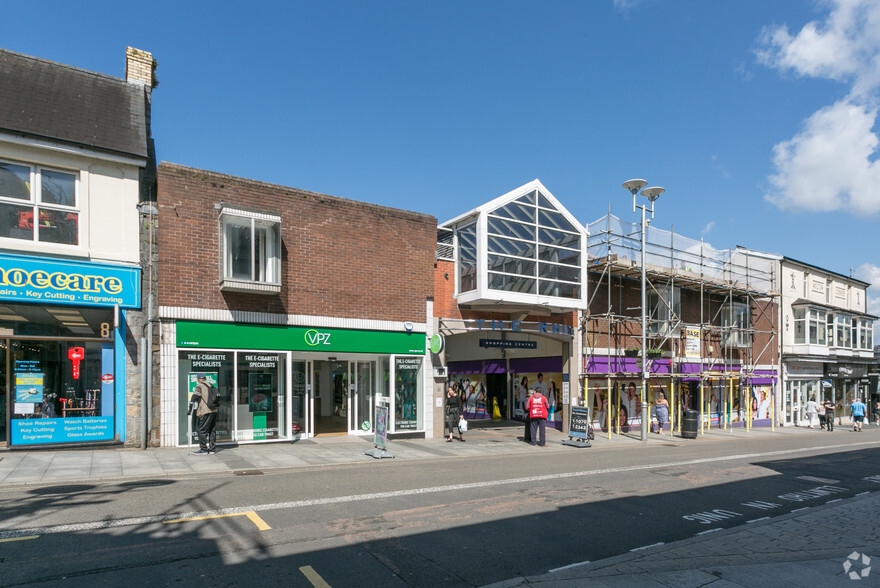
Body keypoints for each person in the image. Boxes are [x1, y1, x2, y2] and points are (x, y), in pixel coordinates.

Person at [191, 374, 218, 455]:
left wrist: (190, 406)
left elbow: (195, 396)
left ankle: (203, 449)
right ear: (205, 379)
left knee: (201, 430)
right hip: (213, 410)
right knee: (212, 430)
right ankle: (212, 449)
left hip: (205, 410)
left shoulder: (200, 386)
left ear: (199, 379)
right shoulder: (211, 385)